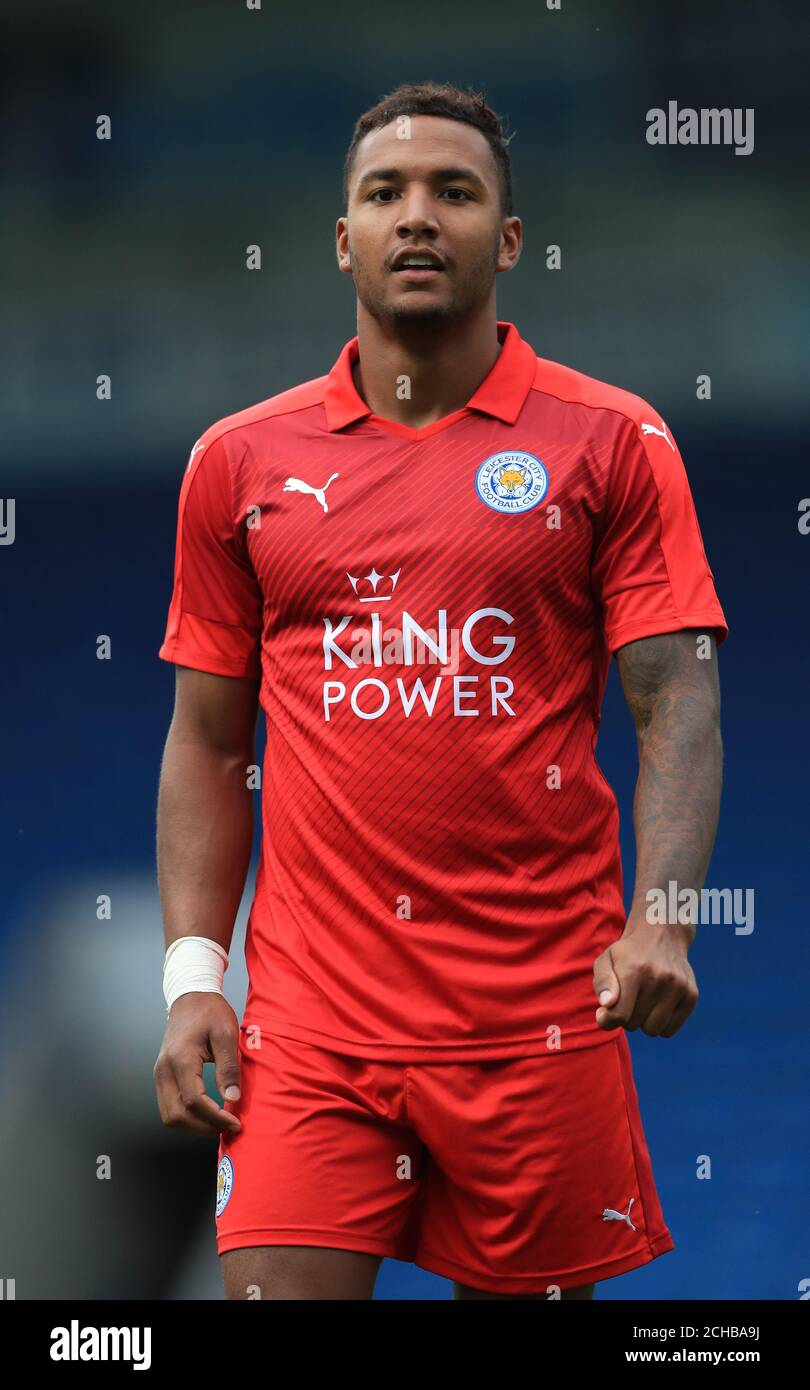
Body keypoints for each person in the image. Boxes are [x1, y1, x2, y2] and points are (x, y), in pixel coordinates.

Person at [154, 81, 728, 1301]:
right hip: (312, 1029)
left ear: (508, 240)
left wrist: (664, 914)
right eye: (386, 193)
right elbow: (208, 745)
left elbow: (676, 697)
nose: (419, 216)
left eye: (454, 192)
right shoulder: (239, 461)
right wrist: (196, 981)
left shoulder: (614, 442)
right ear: (343, 238)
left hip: (543, 1019)